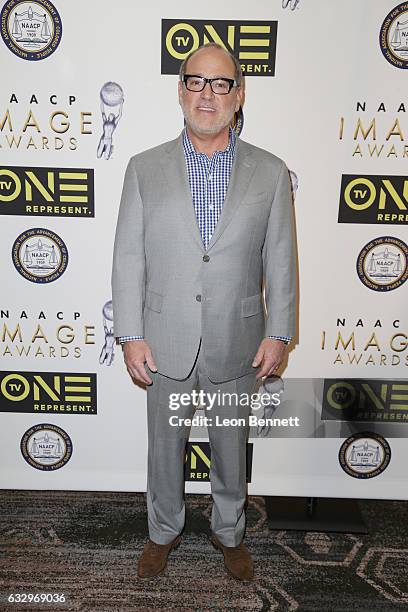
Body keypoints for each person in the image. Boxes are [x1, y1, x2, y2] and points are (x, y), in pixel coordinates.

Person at [111, 42, 298, 581]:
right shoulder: (144, 168)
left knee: (230, 447)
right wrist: (130, 334)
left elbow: (280, 259)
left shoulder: (270, 171)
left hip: (237, 338)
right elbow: (128, 256)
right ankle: (163, 531)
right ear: (180, 90)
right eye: (196, 81)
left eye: (221, 84)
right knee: (163, 449)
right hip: (163, 338)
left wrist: (279, 331)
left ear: (239, 95)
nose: (207, 94)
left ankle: (229, 530)